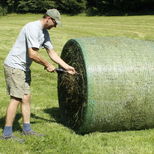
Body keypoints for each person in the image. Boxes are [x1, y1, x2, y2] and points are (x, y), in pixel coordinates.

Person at [1, 9, 76, 141]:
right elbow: (33, 54)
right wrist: (47, 65)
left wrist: (66, 67)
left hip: (24, 67)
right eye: (55, 22)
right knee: (16, 98)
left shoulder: (44, 33)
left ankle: (27, 129)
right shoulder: (32, 28)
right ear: (48, 18)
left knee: (26, 97)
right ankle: (7, 134)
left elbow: (52, 53)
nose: (55, 25)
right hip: (15, 66)